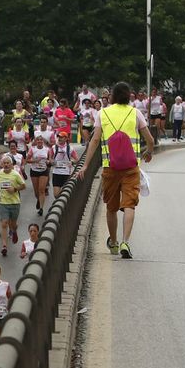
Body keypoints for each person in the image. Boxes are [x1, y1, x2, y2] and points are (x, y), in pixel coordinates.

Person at [75, 81, 154, 260]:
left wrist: (86, 165)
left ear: (112, 96)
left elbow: (94, 140)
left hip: (109, 167)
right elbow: (149, 138)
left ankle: (114, 242)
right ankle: (126, 241)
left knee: (111, 207)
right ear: (128, 96)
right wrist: (149, 152)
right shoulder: (136, 113)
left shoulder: (103, 113)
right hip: (131, 167)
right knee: (129, 204)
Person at [0, 154, 25, 257]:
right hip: (3, 203)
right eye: (4, 163)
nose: (6, 165)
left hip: (15, 203)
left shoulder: (16, 175)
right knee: (4, 223)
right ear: (2, 164)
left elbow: (23, 185)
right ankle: (4, 246)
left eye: (8, 163)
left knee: (13, 224)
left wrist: (14, 189)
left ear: (12, 165)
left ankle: (14, 230)